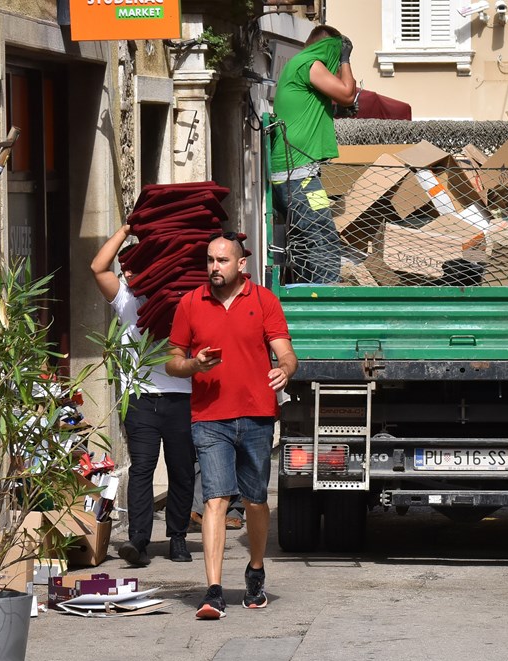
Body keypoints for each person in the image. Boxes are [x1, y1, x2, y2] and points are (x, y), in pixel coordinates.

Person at [166, 231, 298, 620]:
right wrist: (194, 364)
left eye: (222, 261)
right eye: (210, 260)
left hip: (256, 416)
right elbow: (172, 359)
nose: (214, 267)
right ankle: (214, 590)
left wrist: (284, 372)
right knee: (215, 500)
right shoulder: (191, 303)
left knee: (255, 500)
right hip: (209, 418)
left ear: (241, 264)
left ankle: (255, 569)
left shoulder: (264, 300)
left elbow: (286, 353)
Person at [90, 224, 196, 566]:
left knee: (181, 469)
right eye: (126, 268)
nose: (128, 272)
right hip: (141, 399)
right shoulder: (125, 299)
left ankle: (178, 537)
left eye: (135, 267)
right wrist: (125, 229)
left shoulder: (182, 297)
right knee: (142, 469)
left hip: (181, 397)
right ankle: (139, 541)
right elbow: (97, 267)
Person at [270, 24, 356, 284]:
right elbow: (348, 94)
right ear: (326, 47)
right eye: (335, 51)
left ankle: (307, 293)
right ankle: (324, 301)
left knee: (306, 240)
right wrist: (345, 58)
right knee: (323, 237)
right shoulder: (309, 62)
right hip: (299, 175)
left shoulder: (300, 65)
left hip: (298, 173)